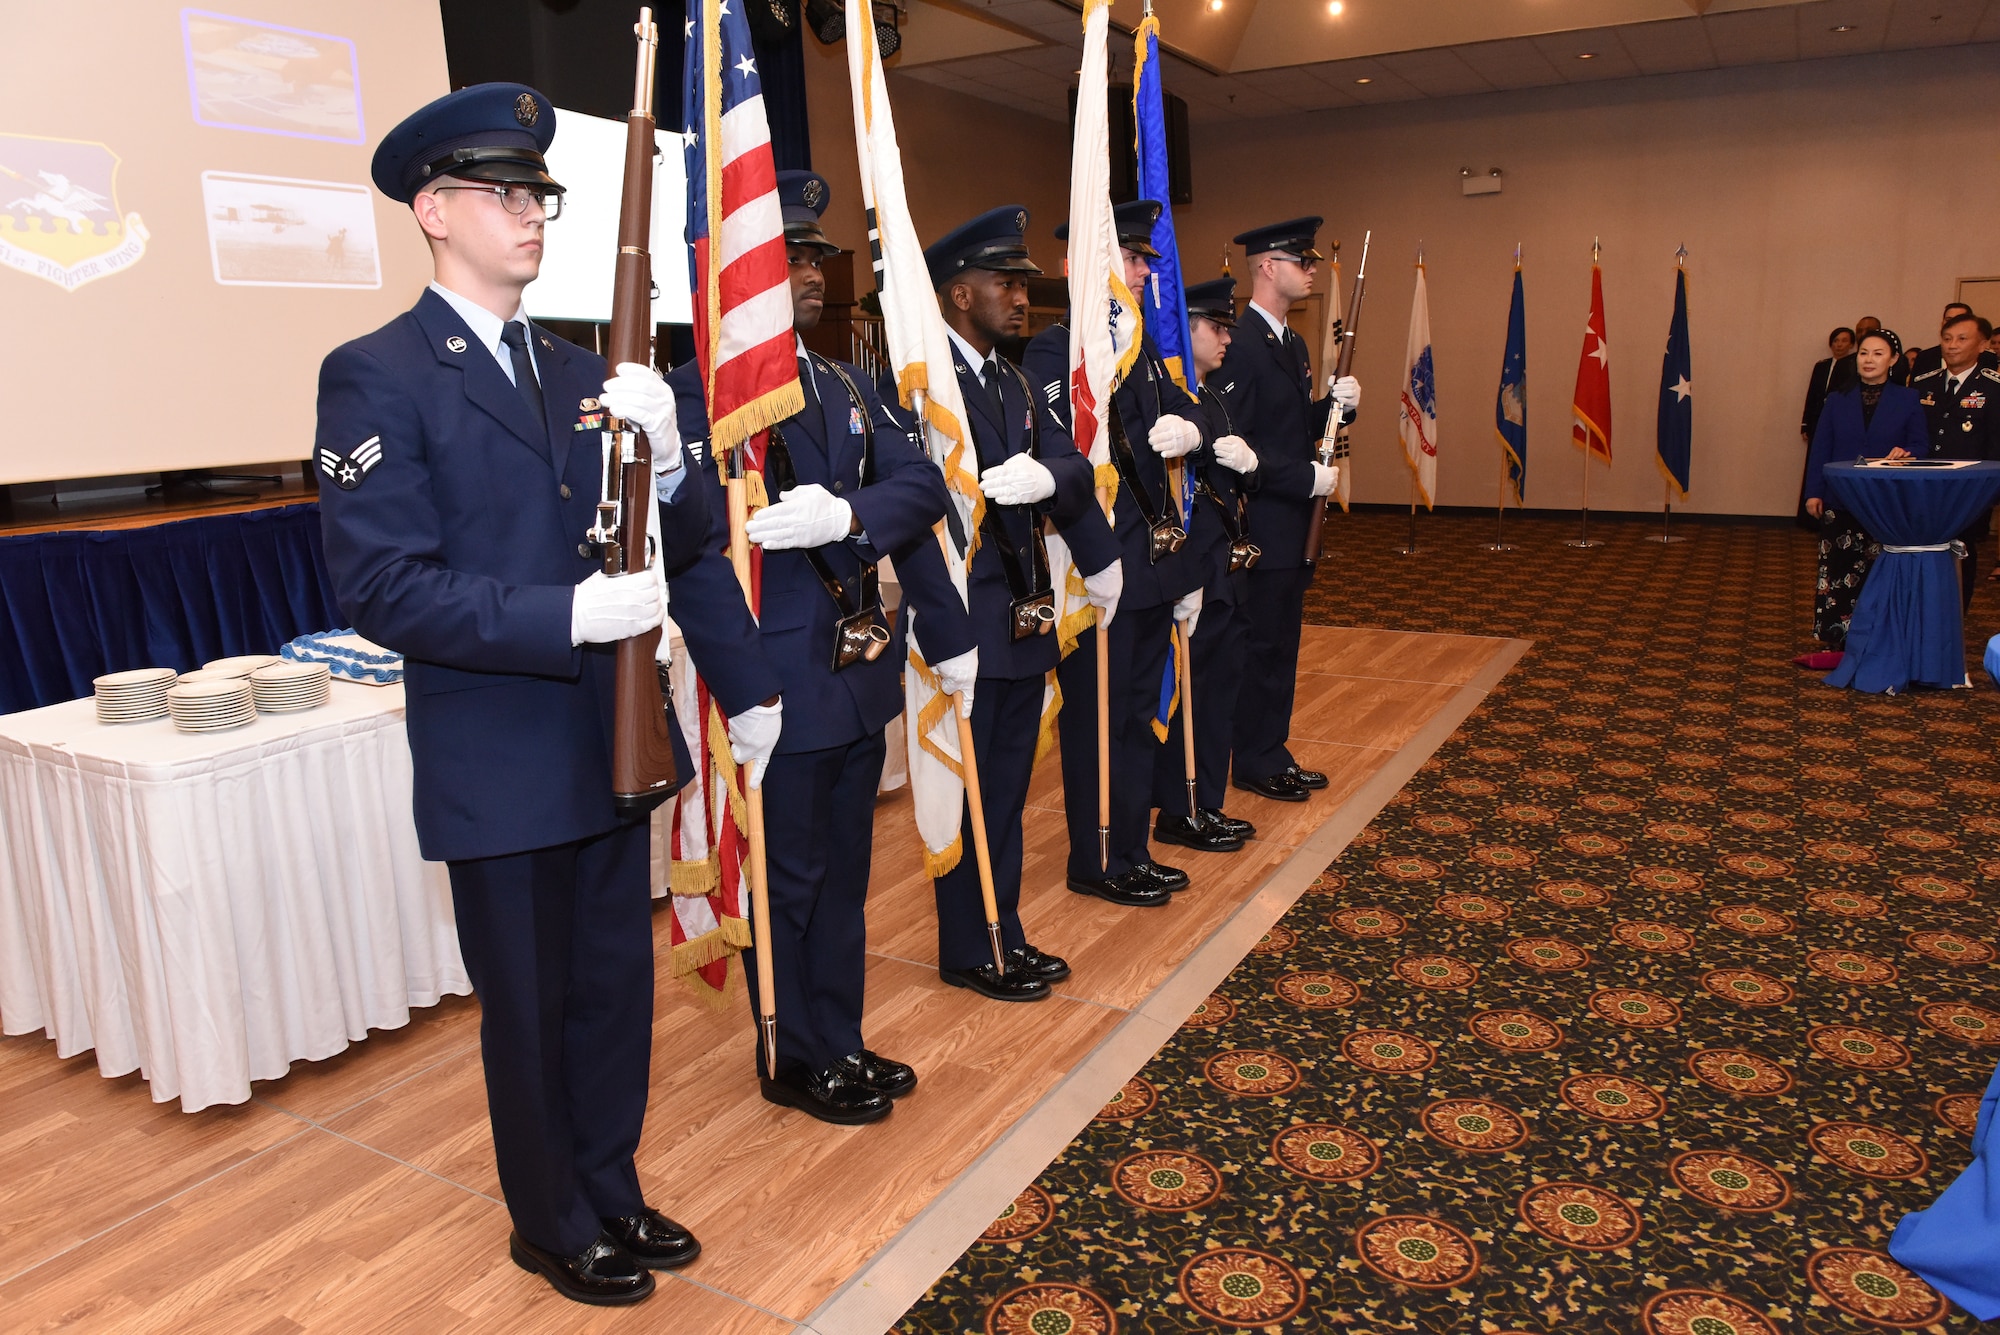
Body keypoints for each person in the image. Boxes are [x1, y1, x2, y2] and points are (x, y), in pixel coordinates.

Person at [317, 84, 785, 1307]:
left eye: (539, 194)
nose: (530, 214)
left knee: (609, 993)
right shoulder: (377, 374)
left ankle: (608, 1183)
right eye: (502, 193)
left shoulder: (590, 366)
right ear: (432, 210)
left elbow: (676, 536)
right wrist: (564, 616)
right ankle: (546, 1216)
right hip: (496, 747)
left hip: (606, 732)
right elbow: (382, 585)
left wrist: (674, 451)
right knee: (524, 1008)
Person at [668, 171, 974, 1125]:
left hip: (853, 673)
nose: (808, 271)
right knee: (788, 882)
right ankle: (791, 1049)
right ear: (740, 275)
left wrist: (846, 510)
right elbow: (693, 556)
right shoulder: (699, 396)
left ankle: (839, 1034)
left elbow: (921, 486)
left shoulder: (845, 378)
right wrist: (746, 689)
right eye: (787, 257)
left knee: (844, 879)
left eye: (812, 257)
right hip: (777, 682)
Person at [923, 205, 1124, 998]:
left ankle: (1002, 926)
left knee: (1005, 792)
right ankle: (969, 945)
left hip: (1022, 614)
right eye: (1002, 282)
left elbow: (1071, 466)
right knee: (967, 789)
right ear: (958, 295)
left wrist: (1051, 479)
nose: (1020, 297)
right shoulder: (924, 383)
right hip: (966, 621)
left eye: (1020, 282)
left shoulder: (1009, 379)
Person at [1024, 200, 1207, 907]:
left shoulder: (1140, 353)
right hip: (1095, 575)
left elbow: (1188, 407)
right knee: (1097, 722)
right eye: (1129, 259)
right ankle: (1096, 856)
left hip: (1151, 571)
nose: (1139, 272)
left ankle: (1132, 846)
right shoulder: (1056, 350)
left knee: (1135, 716)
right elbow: (1060, 452)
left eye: (1141, 261)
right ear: (1090, 262)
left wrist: (1188, 431)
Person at [1213, 217, 1360, 802]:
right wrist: (1304, 479)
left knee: (1281, 643)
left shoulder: (1290, 343)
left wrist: (1336, 408)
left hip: (1293, 521)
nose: (1312, 270)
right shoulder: (1239, 342)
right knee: (1259, 647)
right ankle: (1252, 757)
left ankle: (1271, 747)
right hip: (1262, 522)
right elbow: (1238, 446)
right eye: (1302, 261)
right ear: (1268, 268)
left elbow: (1295, 428)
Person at [1151, 276, 1259, 853]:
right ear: (1181, 327)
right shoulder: (1170, 396)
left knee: (1218, 692)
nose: (1225, 339)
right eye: (1215, 327)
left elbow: (1237, 470)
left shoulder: (1211, 397)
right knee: (1185, 694)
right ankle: (1179, 805)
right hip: (1191, 567)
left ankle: (1206, 799)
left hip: (1224, 568)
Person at [1803, 328, 1929, 651]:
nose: (1869, 360)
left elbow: (1920, 446)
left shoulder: (1908, 399)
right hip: (1840, 499)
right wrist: (1813, 492)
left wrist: (1907, 454)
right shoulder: (1836, 399)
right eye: (1863, 353)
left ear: (1893, 360)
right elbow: (1821, 448)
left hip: (1885, 504)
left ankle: (1879, 635)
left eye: (1878, 353)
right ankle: (1836, 638)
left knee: (1879, 572)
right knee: (1838, 570)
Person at [1911, 311, 2000, 607]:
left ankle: (1954, 618)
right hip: (1923, 487)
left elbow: (1995, 445)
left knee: (1962, 555)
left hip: (1967, 491)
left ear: (1983, 344)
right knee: (1918, 551)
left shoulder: (1993, 387)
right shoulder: (1924, 383)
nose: (1952, 345)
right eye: (1947, 339)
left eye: (1962, 339)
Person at [1800, 326, 1856, 527]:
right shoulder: (1821, 366)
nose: (1839, 344)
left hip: (1838, 423)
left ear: (1851, 344)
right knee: (1815, 465)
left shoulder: (1852, 366)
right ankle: (1809, 515)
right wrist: (1805, 422)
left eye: (1844, 341)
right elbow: (1812, 394)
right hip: (1818, 421)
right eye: (1836, 340)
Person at [1909, 303, 1975, 378]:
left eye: (1958, 320)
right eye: (1948, 320)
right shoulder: (1925, 357)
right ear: (1942, 323)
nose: (1952, 324)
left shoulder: (1986, 359)